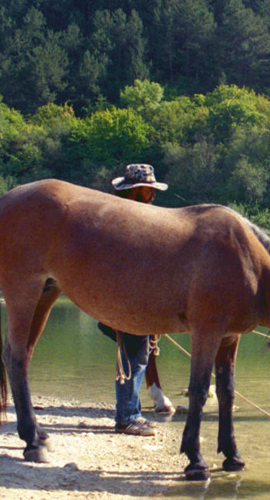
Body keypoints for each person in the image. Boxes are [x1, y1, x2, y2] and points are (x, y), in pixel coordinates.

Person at [102, 163, 172, 436]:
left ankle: (130, 412)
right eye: (148, 191)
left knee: (136, 354)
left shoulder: (117, 215)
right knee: (135, 355)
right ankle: (128, 416)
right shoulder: (129, 219)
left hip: (123, 297)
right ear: (135, 192)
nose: (152, 197)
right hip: (127, 299)